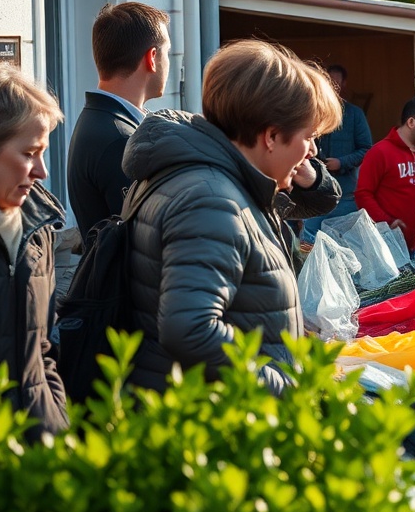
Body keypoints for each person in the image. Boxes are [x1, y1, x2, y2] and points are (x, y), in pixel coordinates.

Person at [121, 40, 342, 394]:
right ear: (271, 136)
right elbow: (191, 329)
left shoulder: (218, 185)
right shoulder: (212, 201)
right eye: (309, 137)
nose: (312, 152)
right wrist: (287, 387)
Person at [0, 63, 69, 439]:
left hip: (39, 455)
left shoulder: (39, 228)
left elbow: (44, 350)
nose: (42, 172)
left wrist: (58, 426)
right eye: (30, 153)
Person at [68, 1, 171, 242]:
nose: (169, 61)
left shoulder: (100, 119)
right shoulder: (120, 139)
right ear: (152, 58)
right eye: (167, 52)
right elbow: (146, 239)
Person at [299, 64, 372, 250]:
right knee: (308, 246)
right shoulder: (312, 113)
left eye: (336, 84)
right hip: (314, 192)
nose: (333, 87)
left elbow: (366, 149)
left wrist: (341, 163)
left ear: (344, 84)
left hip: (345, 195)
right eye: (329, 82)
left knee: (347, 248)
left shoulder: (355, 114)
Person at [355, 97, 415, 254]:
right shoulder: (380, 152)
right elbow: (362, 194)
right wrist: (387, 222)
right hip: (388, 247)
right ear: (411, 122)